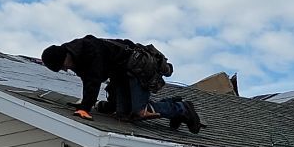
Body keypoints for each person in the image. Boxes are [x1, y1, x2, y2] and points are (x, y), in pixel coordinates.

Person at [40, 35, 201, 133]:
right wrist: (84, 104)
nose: (65, 69)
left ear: (65, 56)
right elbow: (87, 81)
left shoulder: (88, 50)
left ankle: (183, 108)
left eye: (63, 65)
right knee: (123, 115)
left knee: (139, 112)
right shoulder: (77, 58)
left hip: (137, 68)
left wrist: (85, 108)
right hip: (121, 74)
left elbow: (93, 81)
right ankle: (174, 108)